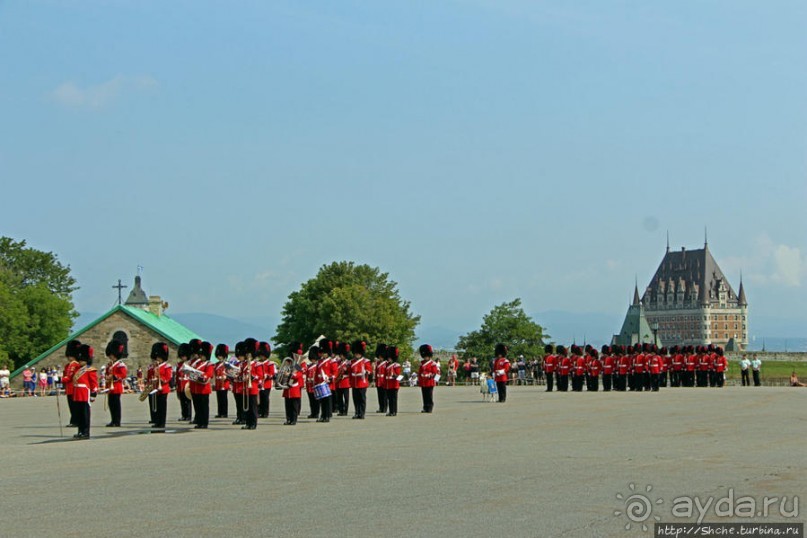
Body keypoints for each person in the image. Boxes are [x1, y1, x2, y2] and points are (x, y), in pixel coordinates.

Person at [72, 344, 98, 439]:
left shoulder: (90, 370)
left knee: (85, 414)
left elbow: (94, 383)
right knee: (79, 414)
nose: (80, 361)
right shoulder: (78, 370)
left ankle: (86, 432)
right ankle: (80, 431)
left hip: (85, 393)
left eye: (82, 360)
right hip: (77, 393)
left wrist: (93, 394)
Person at [104, 340, 128, 427]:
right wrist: (107, 377)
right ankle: (113, 420)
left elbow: (123, 374)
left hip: (116, 387)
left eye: (111, 355)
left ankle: (117, 421)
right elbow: (107, 373)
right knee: (111, 404)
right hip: (110, 387)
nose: (110, 357)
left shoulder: (120, 364)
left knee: (116, 405)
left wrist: (114, 377)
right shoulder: (110, 365)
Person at [151, 342, 172, 430]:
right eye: (157, 357)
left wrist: (160, 378)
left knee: (162, 407)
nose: (157, 359)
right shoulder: (155, 366)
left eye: (159, 357)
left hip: (163, 388)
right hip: (156, 388)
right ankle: (157, 422)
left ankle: (162, 422)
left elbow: (168, 377)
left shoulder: (167, 366)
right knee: (157, 407)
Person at [62, 340, 82, 426]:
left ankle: (75, 421)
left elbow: (69, 376)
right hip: (69, 388)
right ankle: (74, 420)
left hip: (73, 387)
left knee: (74, 405)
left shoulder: (74, 365)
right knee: (71, 405)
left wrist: (62, 380)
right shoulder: (69, 365)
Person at [349, 340, 370, 419]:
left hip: (361, 382)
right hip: (354, 383)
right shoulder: (352, 361)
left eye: (358, 353)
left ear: (361, 353)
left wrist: (366, 372)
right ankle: (357, 412)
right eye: (355, 353)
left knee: (362, 399)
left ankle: (362, 413)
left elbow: (369, 370)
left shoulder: (365, 361)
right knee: (355, 399)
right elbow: (350, 372)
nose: (356, 355)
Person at [280, 357, 303, 425]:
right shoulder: (287, 368)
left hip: (294, 390)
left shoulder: (298, 368)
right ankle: (288, 419)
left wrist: (289, 374)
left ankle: (294, 420)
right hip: (287, 390)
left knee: (294, 407)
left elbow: (297, 376)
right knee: (288, 407)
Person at [417, 344, 438, 413]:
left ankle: (429, 407)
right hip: (423, 381)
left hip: (429, 381)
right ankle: (425, 407)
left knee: (429, 395)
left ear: (429, 356)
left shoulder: (432, 363)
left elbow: (435, 372)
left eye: (426, 356)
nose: (425, 357)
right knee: (424, 395)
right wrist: (419, 378)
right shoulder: (422, 363)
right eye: (424, 356)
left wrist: (430, 375)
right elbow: (420, 372)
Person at [213, 344, 230, 418]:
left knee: (224, 399)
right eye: (218, 356)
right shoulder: (216, 364)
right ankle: (220, 412)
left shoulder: (227, 364)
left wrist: (226, 376)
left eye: (220, 356)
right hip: (218, 383)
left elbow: (230, 373)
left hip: (224, 383)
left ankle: (224, 413)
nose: (219, 357)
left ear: (224, 356)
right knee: (219, 399)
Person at [385, 346, 401, 416]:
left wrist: (395, 375)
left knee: (394, 399)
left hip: (394, 385)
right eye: (388, 358)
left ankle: (394, 411)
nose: (389, 359)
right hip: (388, 385)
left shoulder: (396, 365)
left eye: (390, 358)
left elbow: (398, 376)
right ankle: (390, 411)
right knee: (389, 399)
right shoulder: (387, 365)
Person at [374, 344, 388, 414]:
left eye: (381, 357)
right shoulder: (378, 363)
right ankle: (381, 407)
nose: (380, 358)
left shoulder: (386, 363)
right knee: (379, 396)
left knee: (384, 396)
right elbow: (376, 372)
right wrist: (376, 380)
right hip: (379, 381)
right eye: (379, 357)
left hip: (384, 381)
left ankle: (385, 408)